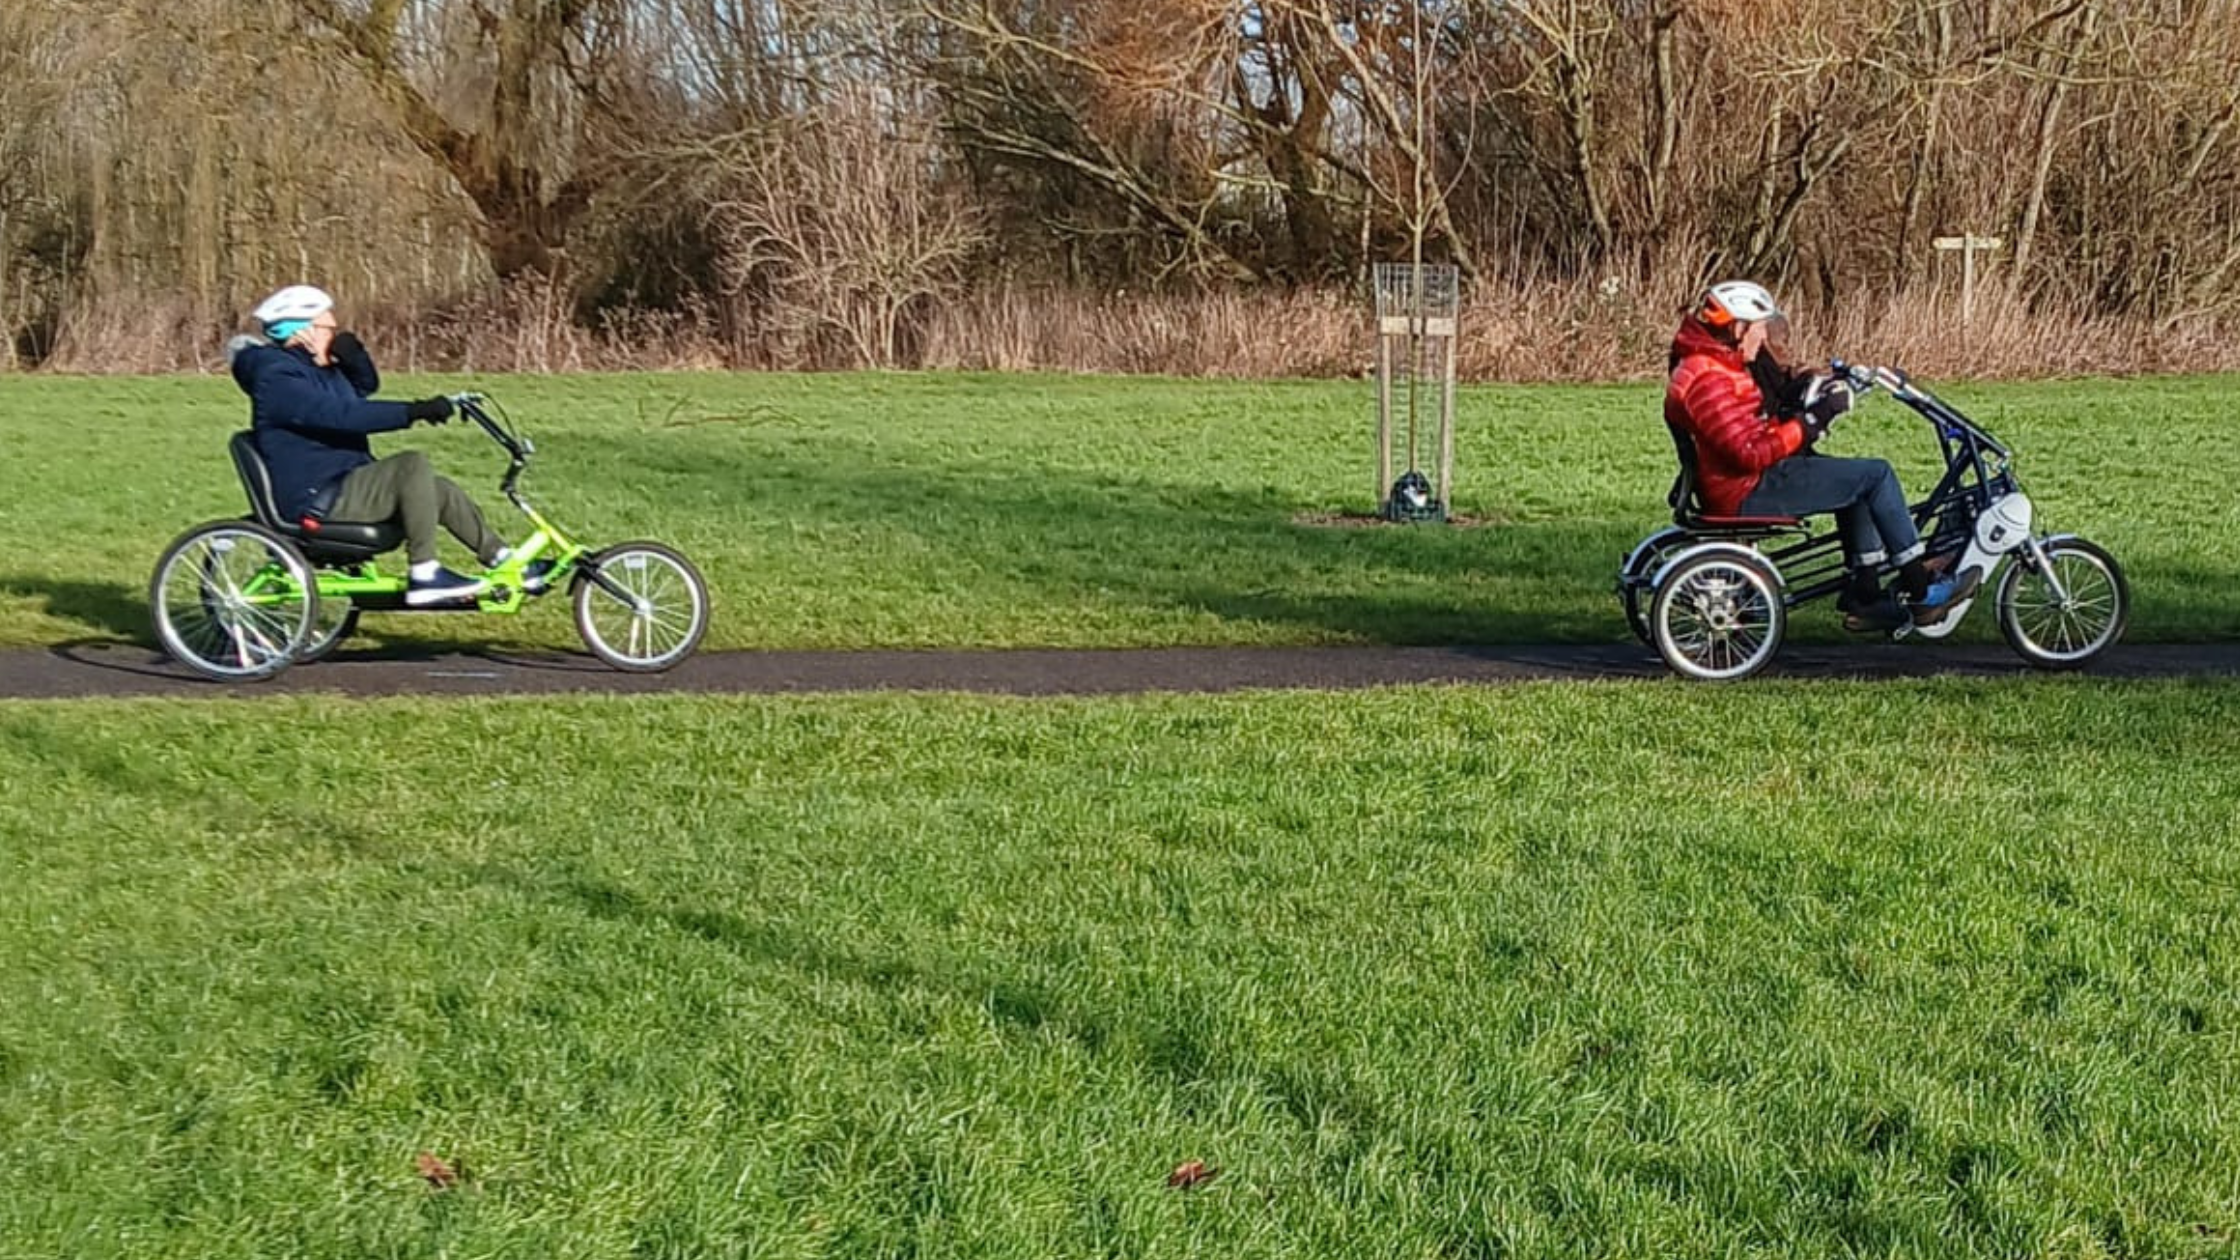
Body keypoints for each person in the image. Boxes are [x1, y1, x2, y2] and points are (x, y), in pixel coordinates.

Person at [1663, 280, 1975, 630]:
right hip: (1746, 490)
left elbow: (1751, 432)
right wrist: (1814, 419)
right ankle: (1922, 591)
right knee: (1877, 475)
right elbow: (1748, 454)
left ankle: (1866, 595)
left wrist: (1807, 413)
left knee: (1856, 479)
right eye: (1759, 327)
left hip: (1739, 482)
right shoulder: (1710, 379)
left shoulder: (1710, 365)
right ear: (1737, 328)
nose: (1763, 336)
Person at [229, 285, 545, 605]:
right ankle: (425, 573)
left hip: (343, 482)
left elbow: (364, 387)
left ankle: (504, 560)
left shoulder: (315, 371)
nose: (336, 333)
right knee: (410, 465)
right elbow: (344, 414)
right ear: (305, 331)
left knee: (439, 489)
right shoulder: (279, 379)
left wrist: (354, 357)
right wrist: (415, 411)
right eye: (330, 328)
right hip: (317, 497)